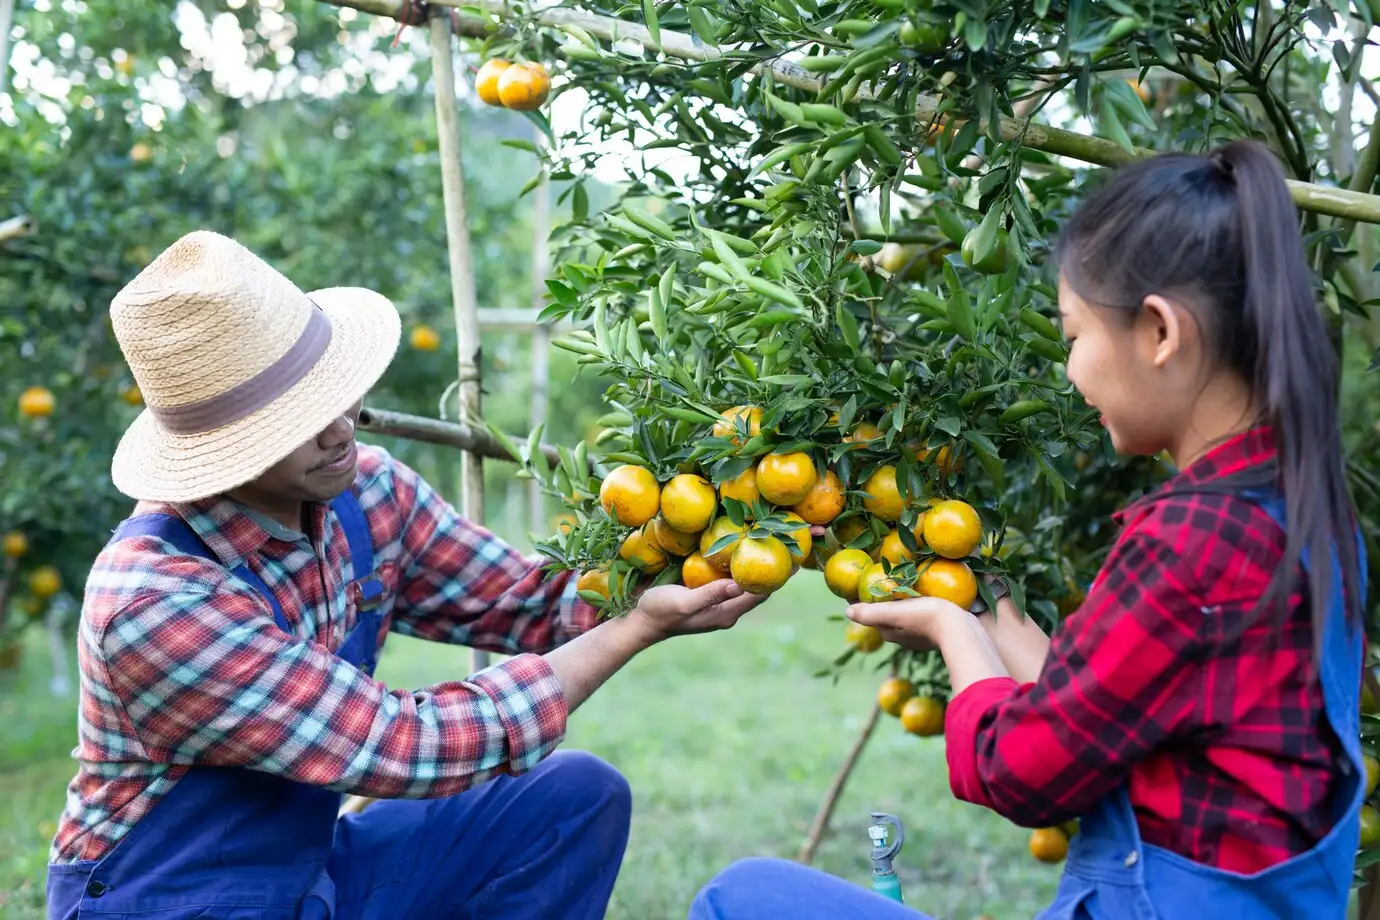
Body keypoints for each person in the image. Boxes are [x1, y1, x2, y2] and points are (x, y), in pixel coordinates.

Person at [688, 139, 1369, 919]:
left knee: (741, 899)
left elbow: (1020, 770)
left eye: (1075, 336)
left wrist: (954, 632)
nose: (1071, 372)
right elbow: (1103, 708)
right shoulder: (1302, 511)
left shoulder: (1190, 542)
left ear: (1159, 333)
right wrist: (996, 621)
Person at [45, 230, 769, 920]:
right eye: (293, 418)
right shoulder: (156, 600)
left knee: (572, 798)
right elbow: (401, 745)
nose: (339, 428)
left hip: (309, 874)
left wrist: (707, 533)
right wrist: (634, 632)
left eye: (333, 391)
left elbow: (528, 604)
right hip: (170, 898)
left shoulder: (365, 493)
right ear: (221, 444)